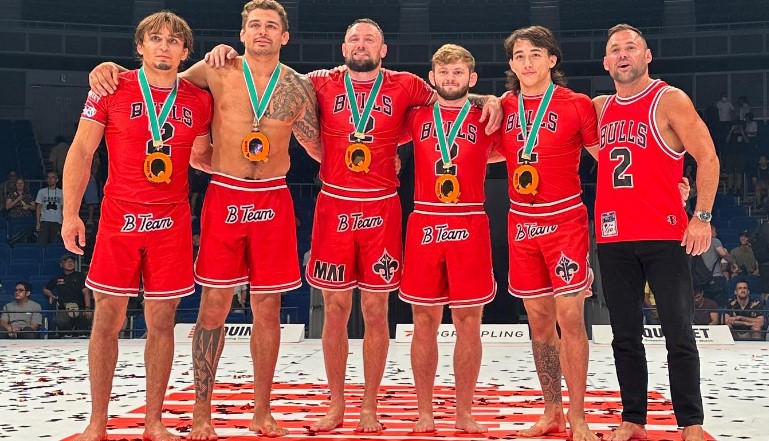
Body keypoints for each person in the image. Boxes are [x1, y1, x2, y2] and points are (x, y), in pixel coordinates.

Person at [88, 1, 321, 438]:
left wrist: (366, 168)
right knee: (213, 305)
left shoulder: (298, 86)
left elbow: (317, 145)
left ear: (285, 36)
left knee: (268, 308)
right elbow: (161, 78)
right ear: (242, 33)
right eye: (255, 25)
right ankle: (201, 412)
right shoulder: (215, 69)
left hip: (273, 197)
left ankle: (262, 411)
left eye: (272, 26)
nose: (263, 32)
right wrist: (110, 69)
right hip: (225, 194)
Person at [65, 11, 213, 441]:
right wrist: (71, 214)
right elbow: (81, 151)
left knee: (162, 323)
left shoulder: (198, 100)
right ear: (140, 46)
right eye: (155, 38)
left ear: (185, 52)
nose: (164, 46)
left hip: (170, 221)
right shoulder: (110, 87)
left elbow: (201, 157)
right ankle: (97, 422)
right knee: (106, 319)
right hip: (119, 219)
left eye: (173, 40)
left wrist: (250, 166)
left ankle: (154, 422)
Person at [593, 24, 719, 441]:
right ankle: (633, 419)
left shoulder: (669, 99)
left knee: (678, 332)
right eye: (615, 49)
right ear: (606, 62)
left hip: (664, 236)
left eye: (631, 47)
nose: (623, 54)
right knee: (624, 335)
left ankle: (691, 422)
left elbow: (708, 156)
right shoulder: (598, 108)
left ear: (647, 56)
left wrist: (701, 215)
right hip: (613, 237)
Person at [496, 26, 599, 441]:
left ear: (552, 60)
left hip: (564, 221)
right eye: (519, 56)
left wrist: (667, 183)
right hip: (521, 223)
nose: (527, 63)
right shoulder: (503, 106)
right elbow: (470, 148)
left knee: (570, 319)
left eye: (535, 54)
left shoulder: (576, 104)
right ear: (511, 64)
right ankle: (552, 410)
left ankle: (579, 415)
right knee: (538, 321)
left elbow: (608, 157)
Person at [399, 44, 501, 434]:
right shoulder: (416, 115)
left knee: (468, 321)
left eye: (458, 72)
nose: (450, 79)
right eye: (444, 73)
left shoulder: (487, 116)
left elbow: (512, 150)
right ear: (432, 78)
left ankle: (464, 412)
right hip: (425, 220)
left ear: (471, 78)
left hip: (470, 220)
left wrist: (490, 100)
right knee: (423, 320)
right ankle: (424, 413)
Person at [43, 254, 92, 336]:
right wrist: (51, 295)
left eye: (72, 261)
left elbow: (86, 292)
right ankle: (67, 334)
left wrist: (88, 308)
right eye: (66, 261)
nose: (70, 263)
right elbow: (45, 289)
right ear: (61, 264)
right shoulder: (57, 278)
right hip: (64, 309)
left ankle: (82, 334)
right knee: (59, 320)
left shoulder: (80, 276)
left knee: (91, 318)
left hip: (81, 308)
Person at [35, 171, 63, 246]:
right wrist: (38, 222)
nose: (50, 179)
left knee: (54, 244)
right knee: (41, 244)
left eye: (52, 177)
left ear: (57, 180)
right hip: (44, 221)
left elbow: (62, 208)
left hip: (57, 221)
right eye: (48, 177)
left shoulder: (61, 192)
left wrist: (64, 222)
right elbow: (38, 207)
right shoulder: (41, 191)